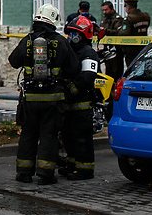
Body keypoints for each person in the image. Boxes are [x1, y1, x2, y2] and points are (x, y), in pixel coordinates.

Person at [9, 3, 78, 185]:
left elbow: (13, 61)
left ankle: (23, 173)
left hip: (30, 99)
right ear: (54, 20)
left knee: (28, 134)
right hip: (53, 100)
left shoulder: (28, 40)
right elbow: (74, 67)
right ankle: (45, 174)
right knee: (49, 135)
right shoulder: (61, 41)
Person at [60, 16, 99, 180]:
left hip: (82, 104)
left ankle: (85, 170)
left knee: (81, 138)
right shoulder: (70, 52)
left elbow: (88, 76)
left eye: (74, 33)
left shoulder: (88, 53)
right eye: (70, 33)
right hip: (69, 103)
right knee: (68, 136)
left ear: (83, 35)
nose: (71, 37)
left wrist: (72, 88)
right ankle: (72, 165)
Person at [118, 0, 151, 67]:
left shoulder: (129, 18)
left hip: (131, 48)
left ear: (128, 7)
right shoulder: (146, 16)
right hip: (143, 46)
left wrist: (118, 30)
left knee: (132, 68)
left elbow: (124, 33)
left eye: (125, 7)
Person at [99, 1, 125, 78]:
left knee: (116, 70)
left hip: (117, 49)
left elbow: (118, 32)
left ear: (112, 9)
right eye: (103, 10)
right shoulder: (104, 19)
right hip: (107, 48)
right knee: (108, 70)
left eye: (106, 10)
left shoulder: (118, 19)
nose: (104, 12)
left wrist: (105, 31)